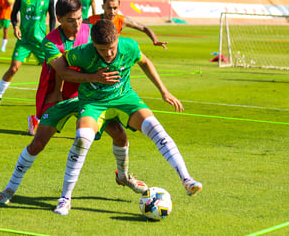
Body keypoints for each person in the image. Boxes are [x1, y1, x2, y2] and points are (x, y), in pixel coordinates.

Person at [0, 0, 146, 205]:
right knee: (38, 143)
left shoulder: (90, 31)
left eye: (78, 18)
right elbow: (64, 73)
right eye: (70, 20)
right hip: (57, 97)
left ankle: (123, 176)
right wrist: (95, 77)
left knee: (120, 135)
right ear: (58, 19)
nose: (76, 24)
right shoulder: (50, 42)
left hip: (90, 98)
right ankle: (10, 188)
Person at [52, 19, 202, 215]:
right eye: (102, 49)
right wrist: (91, 79)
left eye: (112, 48)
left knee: (156, 129)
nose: (108, 53)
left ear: (118, 39)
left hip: (124, 97)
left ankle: (187, 180)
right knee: (82, 139)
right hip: (93, 102)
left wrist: (164, 91)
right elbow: (60, 69)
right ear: (93, 44)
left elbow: (145, 62)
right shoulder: (82, 53)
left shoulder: (129, 46)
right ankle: (65, 198)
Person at [0, 0, 56, 136]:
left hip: (42, 42)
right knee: (13, 68)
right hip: (24, 41)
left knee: (53, 72)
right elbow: (13, 15)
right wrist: (16, 26)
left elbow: (53, 17)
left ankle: (50, 104)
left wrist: (53, 36)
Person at [87, 0, 167, 50]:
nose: (112, 12)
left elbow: (144, 28)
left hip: (113, 56)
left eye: (115, 8)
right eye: (109, 8)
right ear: (103, 6)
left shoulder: (122, 20)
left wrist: (155, 40)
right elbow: (76, 23)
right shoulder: (93, 20)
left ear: (119, 7)